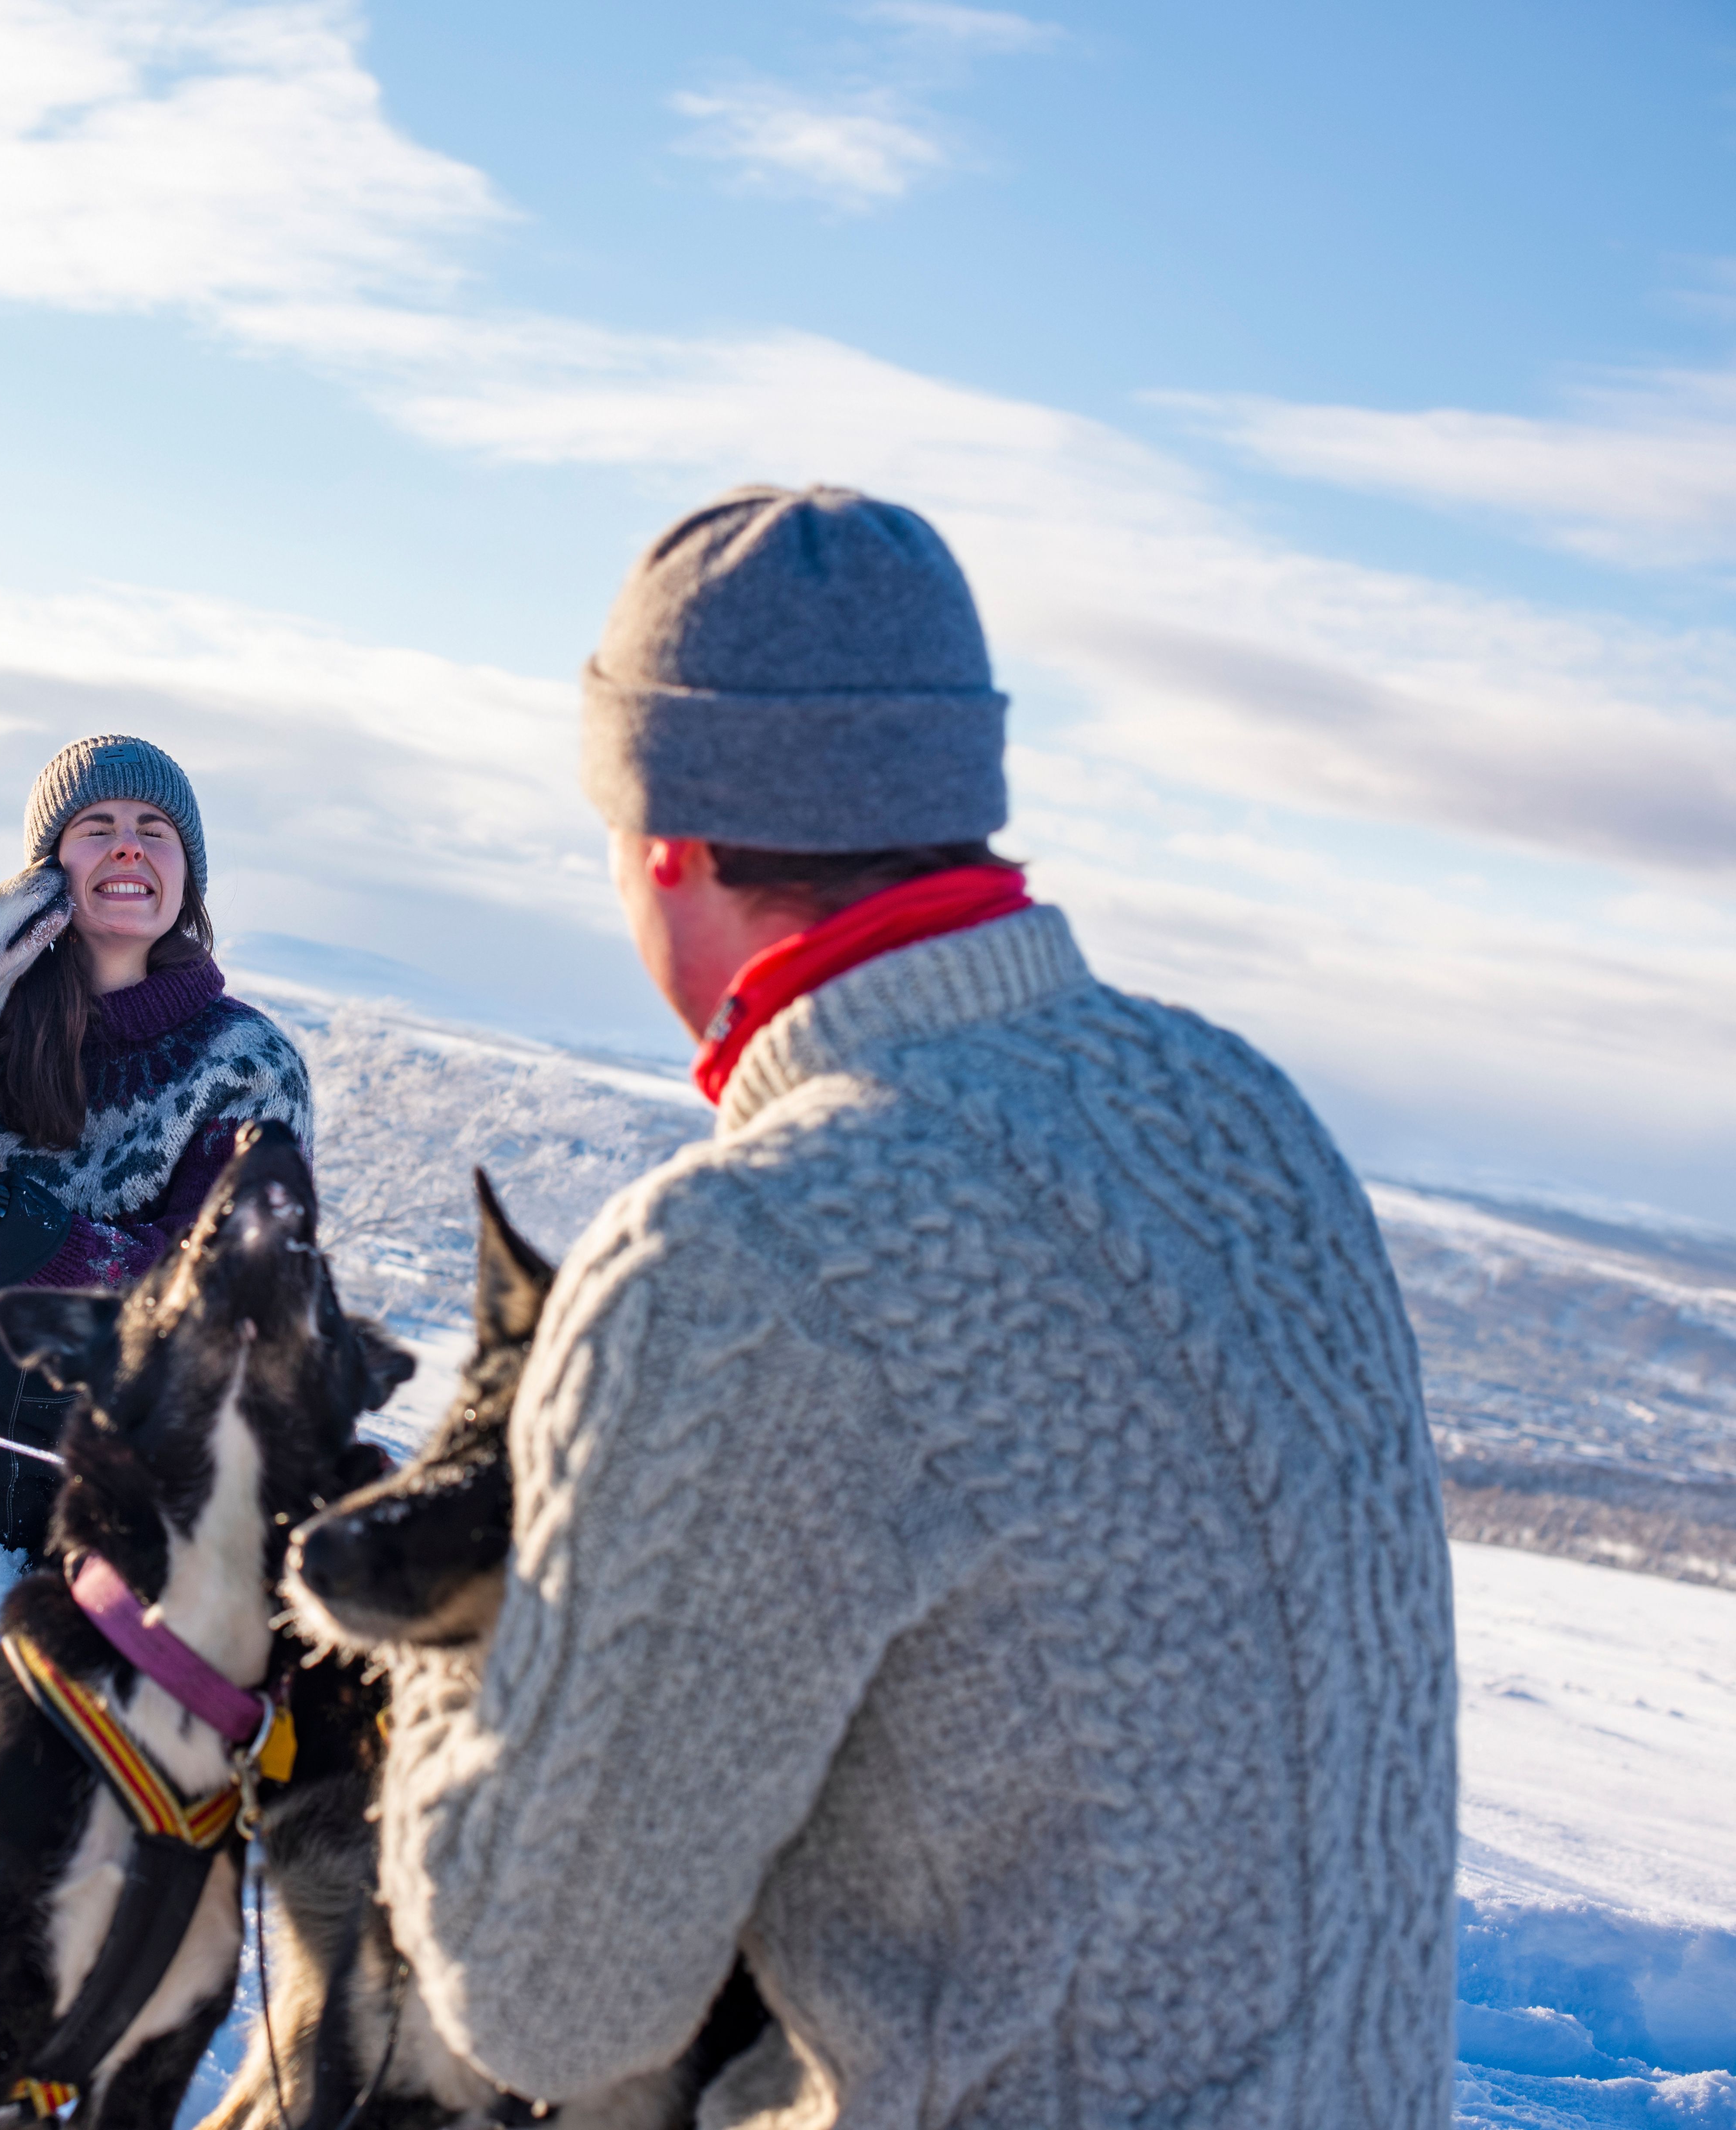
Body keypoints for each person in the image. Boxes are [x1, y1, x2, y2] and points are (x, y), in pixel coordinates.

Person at [375, 488, 1458, 2127]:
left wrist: (466, 1646)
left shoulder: (743, 1263)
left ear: (668, 838)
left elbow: (544, 1994)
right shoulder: (1250, 1123)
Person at [0, 734, 313, 1552]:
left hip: (123, 1537)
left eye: (156, 828)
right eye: (97, 826)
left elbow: (219, 1306)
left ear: (187, 874)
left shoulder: (249, 1069)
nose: (128, 844)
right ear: (47, 873)